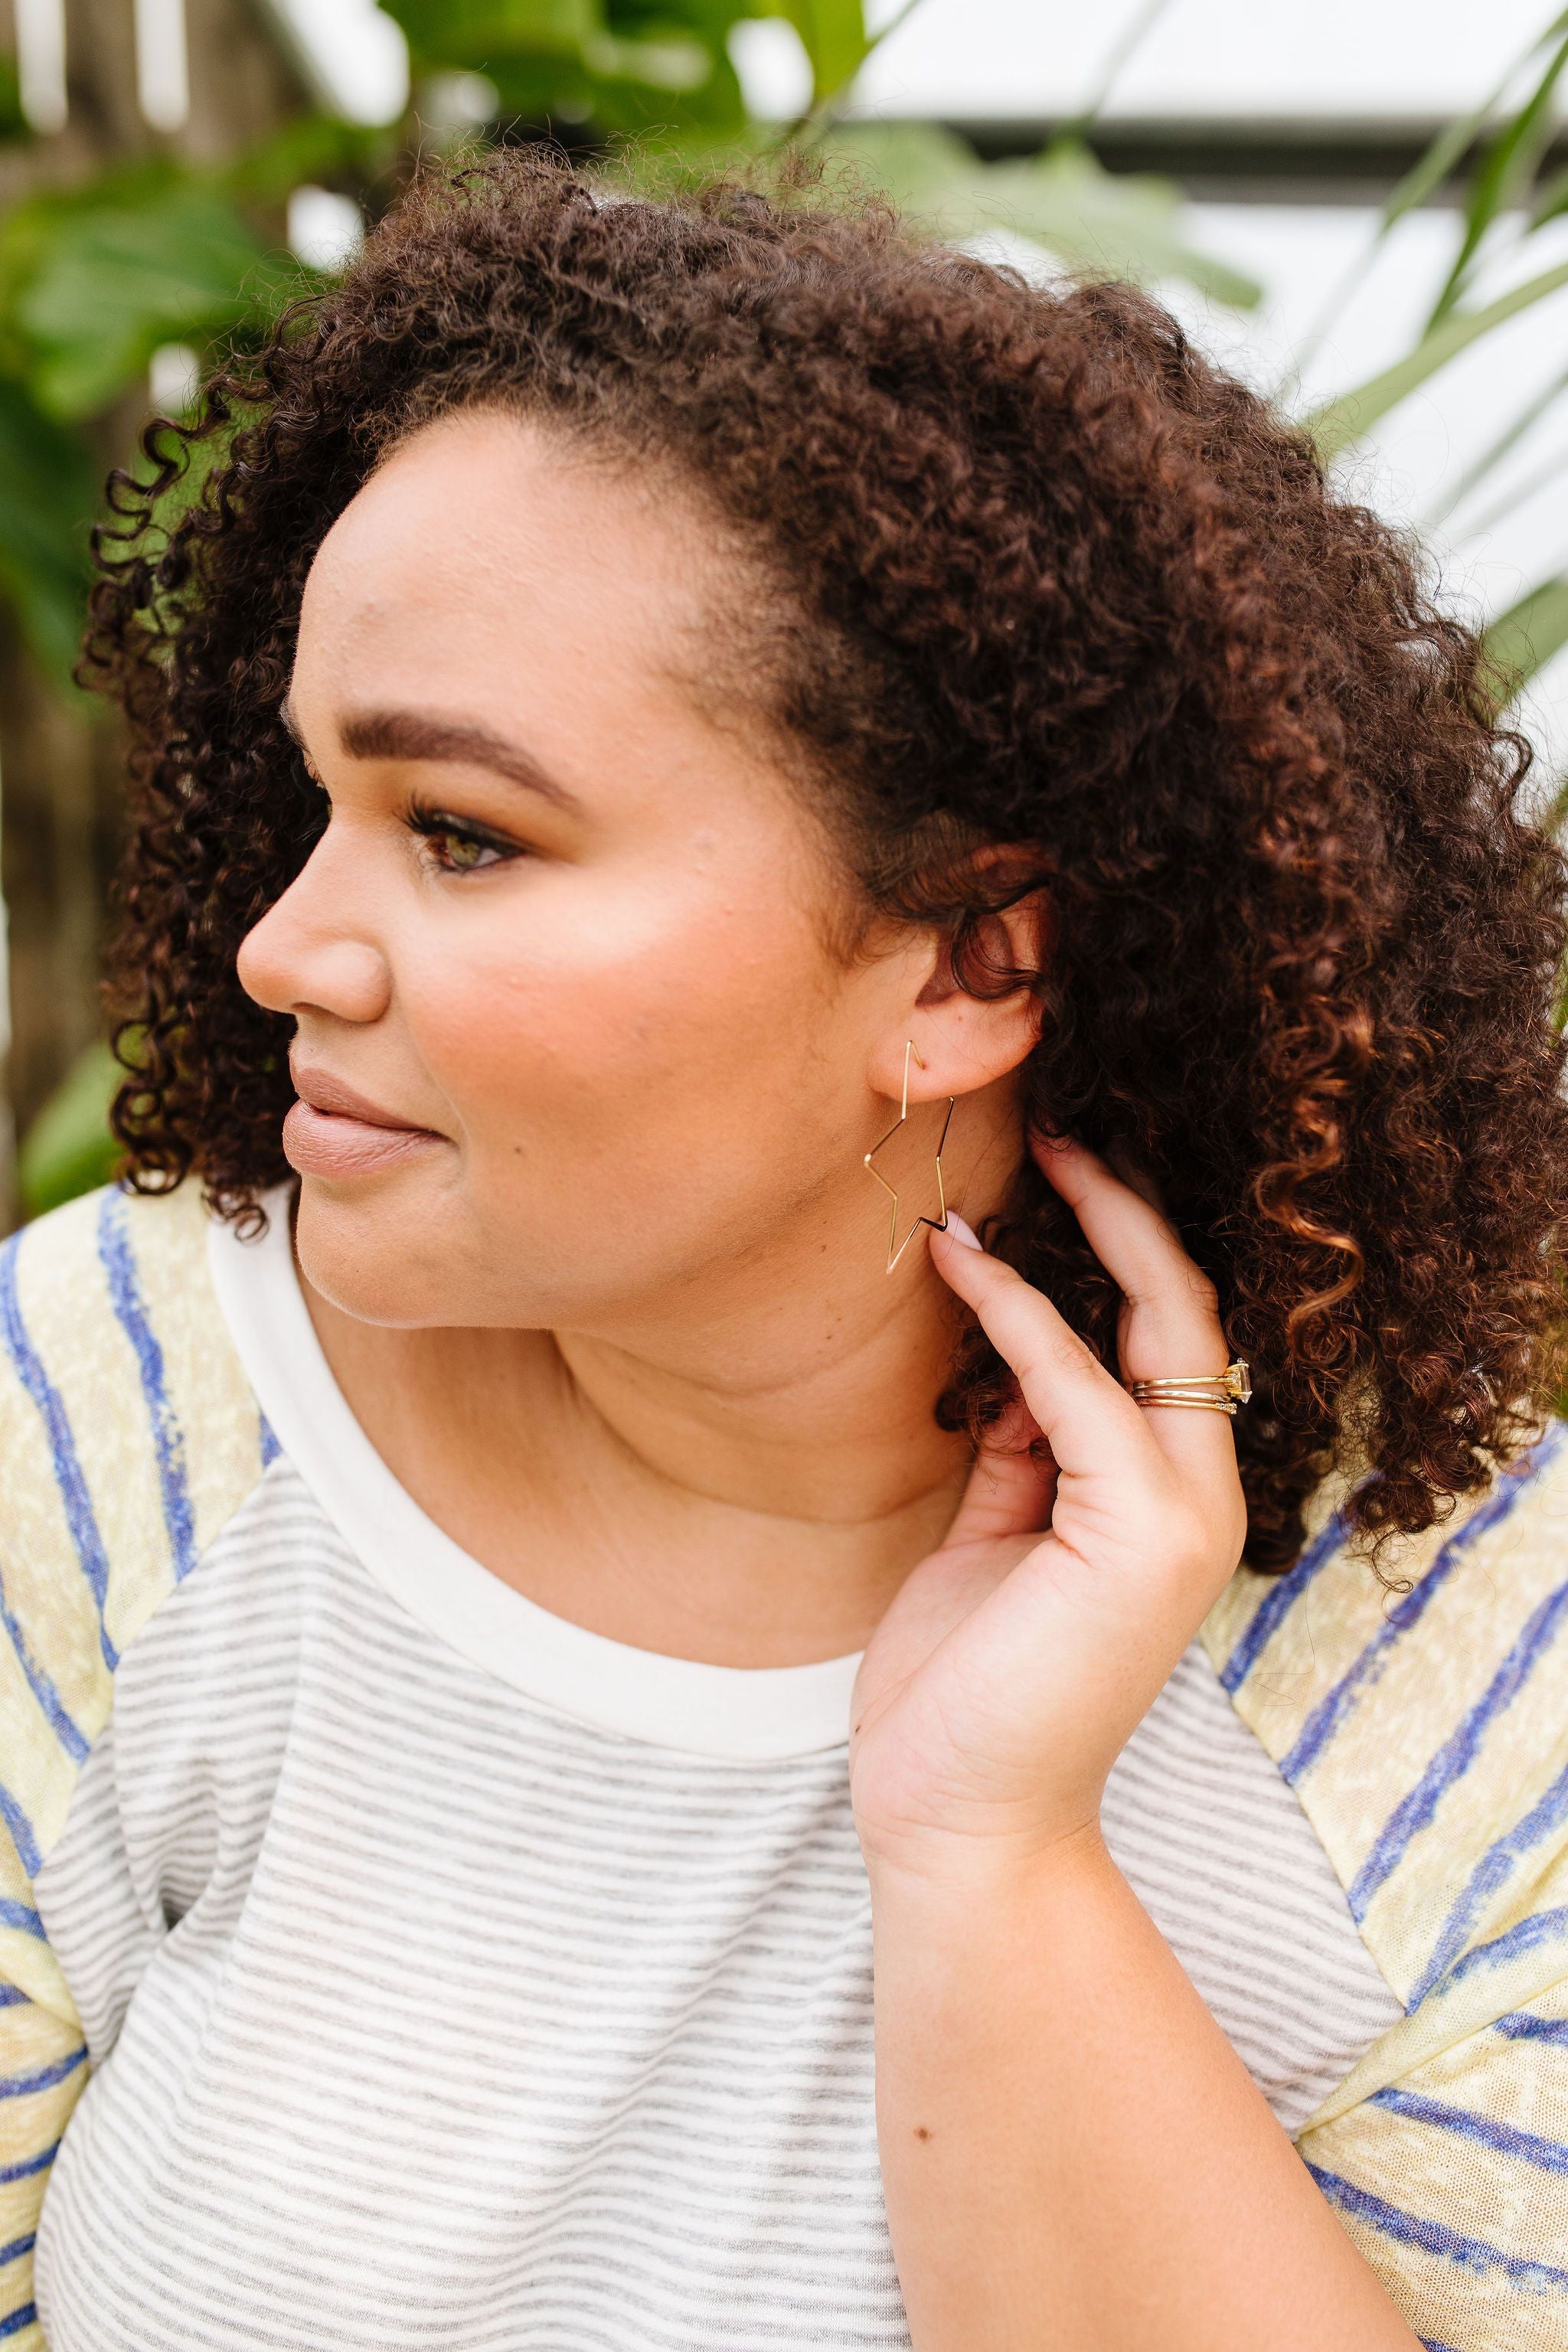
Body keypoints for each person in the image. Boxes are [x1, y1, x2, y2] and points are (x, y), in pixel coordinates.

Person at [2, 152, 1566, 2352]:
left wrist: (992, 1867)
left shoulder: (1463, 1689)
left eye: (463, 834)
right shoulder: (103, 1415)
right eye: (316, 801)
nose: (277, 947)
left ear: (968, 967)